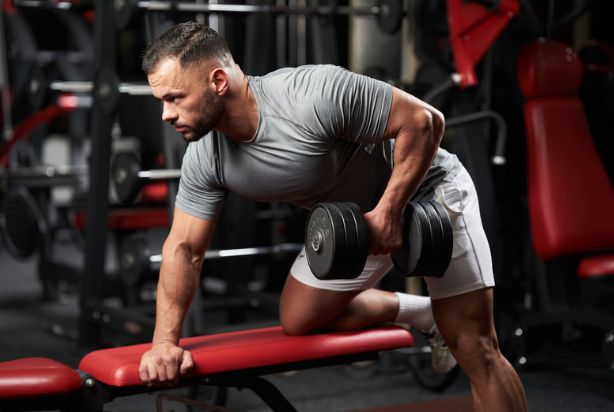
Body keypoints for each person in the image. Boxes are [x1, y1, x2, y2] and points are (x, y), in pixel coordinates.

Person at [138, 22, 527, 411]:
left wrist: (390, 211)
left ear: (218, 81)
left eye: (174, 98)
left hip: (427, 192)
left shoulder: (310, 94)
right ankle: (426, 315)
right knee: (298, 317)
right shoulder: (206, 158)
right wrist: (164, 344)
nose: (165, 115)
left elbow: (426, 122)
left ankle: (452, 323)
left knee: (474, 345)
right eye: (161, 101)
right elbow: (184, 247)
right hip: (355, 225)